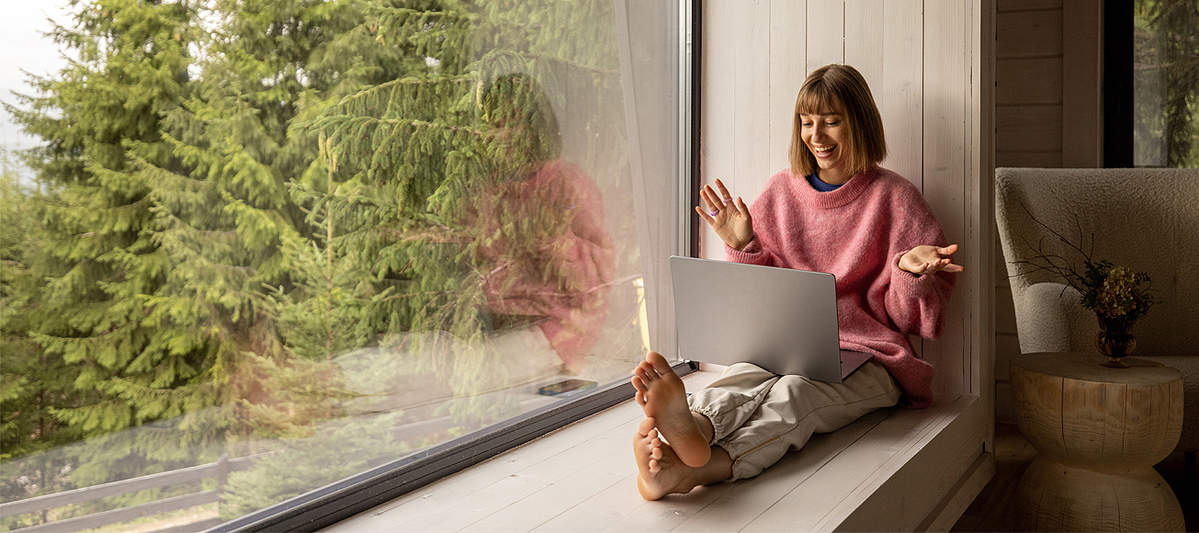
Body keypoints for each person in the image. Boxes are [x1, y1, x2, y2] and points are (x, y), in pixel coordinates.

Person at [630, 64, 962, 500]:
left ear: (860, 122)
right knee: (743, 376)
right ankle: (691, 426)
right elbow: (758, 305)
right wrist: (744, 245)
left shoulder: (896, 198)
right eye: (807, 123)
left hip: (871, 356)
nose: (816, 136)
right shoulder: (780, 194)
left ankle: (696, 469)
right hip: (783, 348)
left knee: (796, 397)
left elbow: (909, 321)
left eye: (831, 121)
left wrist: (909, 274)